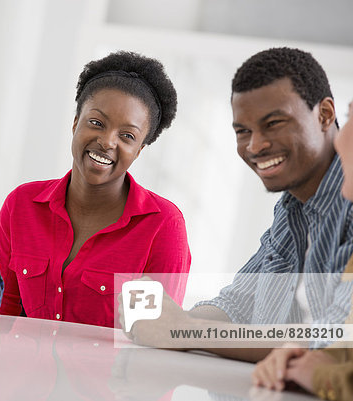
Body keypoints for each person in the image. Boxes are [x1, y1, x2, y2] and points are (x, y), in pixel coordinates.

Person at [120, 47, 353, 361]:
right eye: (244, 131)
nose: (255, 146)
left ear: (325, 115)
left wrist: (183, 330)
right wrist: (169, 319)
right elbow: (237, 305)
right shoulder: (293, 206)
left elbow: (336, 339)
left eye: (273, 124)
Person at [0, 51, 191, 328]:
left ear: (139, 150)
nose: (107, 142)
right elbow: (2, 316)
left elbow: (151, 339)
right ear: (75, 123)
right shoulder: (21, 205)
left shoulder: (162, 225)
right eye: (96, 123)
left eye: (127, 136)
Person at [252, 101, 353, 400]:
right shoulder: (288, 207)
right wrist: (301, 351)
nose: (341, 138)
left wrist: (315, 369)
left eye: (350, 119)